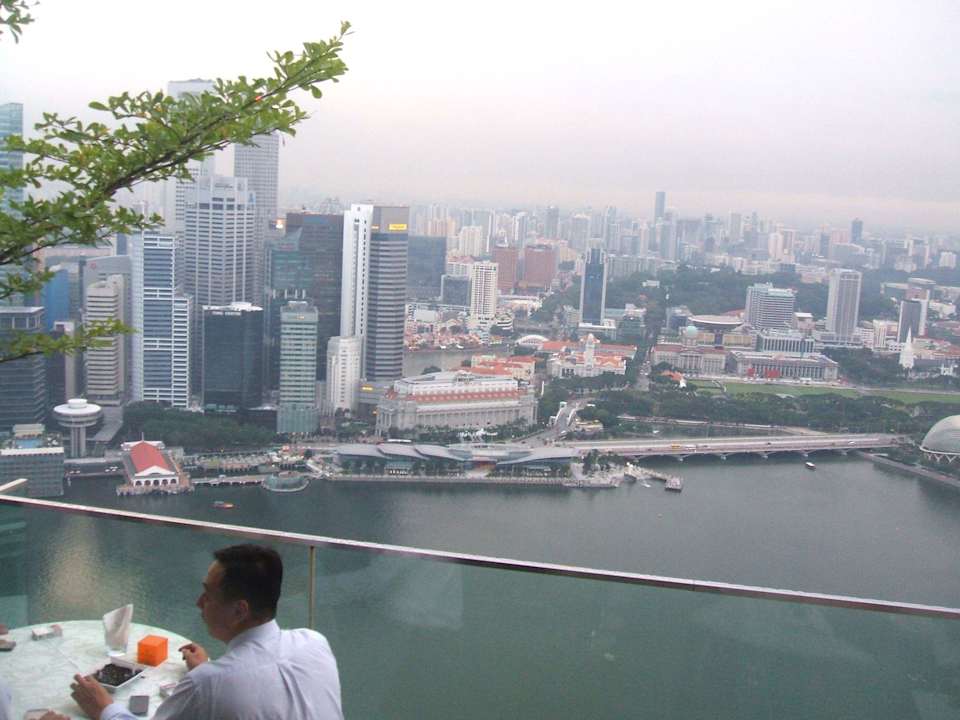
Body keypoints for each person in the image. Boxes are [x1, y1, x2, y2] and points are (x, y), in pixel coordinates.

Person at [69, 544, 343, 720]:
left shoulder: (207, 684)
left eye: (208, 595)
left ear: (240, 611)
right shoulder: (315, 643)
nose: (199, 603)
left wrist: (105, 708)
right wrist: (209, 671)